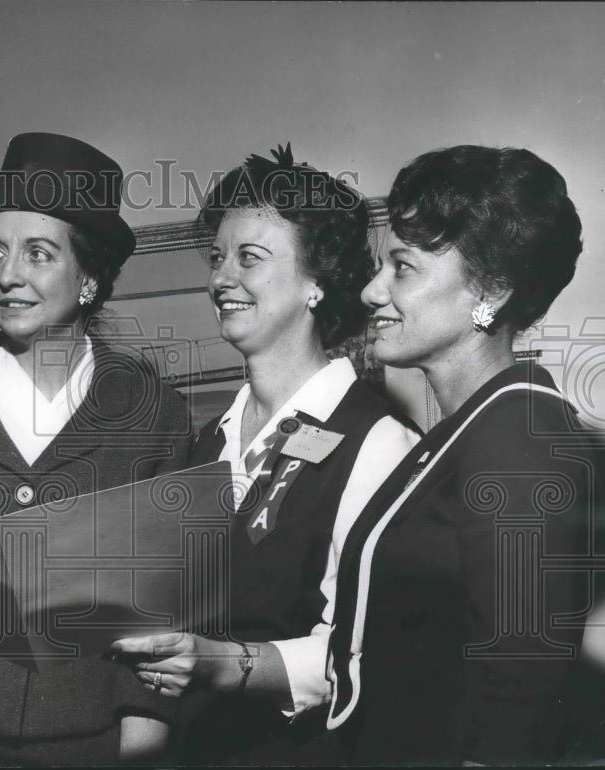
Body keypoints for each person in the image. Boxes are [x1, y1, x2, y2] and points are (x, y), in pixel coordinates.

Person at [110, 143, 420, 764]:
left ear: (317, 282)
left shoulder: (379, 441)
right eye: (216, 258)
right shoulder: (205, 443)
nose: (221, 279)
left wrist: (225, 665)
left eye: (249, 258)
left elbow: (366, 654)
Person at [0, 132, 192, 765]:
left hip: (95, 742)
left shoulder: (155, 415)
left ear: (89, 277)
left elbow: (165, 605)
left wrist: (141, 744)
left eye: (38, 253)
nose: (8, 276)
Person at [326, 145, 595, 764]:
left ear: (491, 292)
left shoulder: (520, 438)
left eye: (403, 267)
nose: (371, 291)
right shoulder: (470, 429)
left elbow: (517, 693)